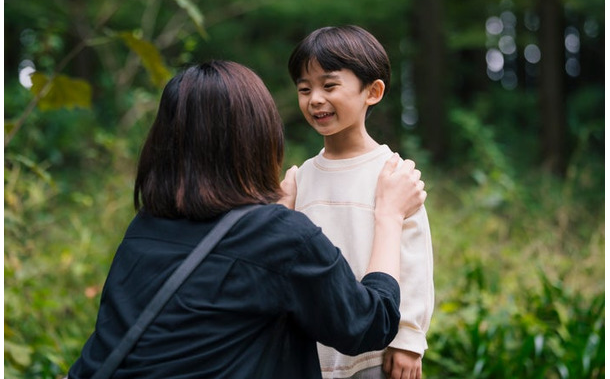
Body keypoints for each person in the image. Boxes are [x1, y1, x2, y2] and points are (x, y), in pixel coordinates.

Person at [67, 60, 427, 379]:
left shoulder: (145, 228)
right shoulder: (280, 237)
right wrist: (390, 215)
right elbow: (368, 325)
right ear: (256, 135)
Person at [288, 25, 434, 379]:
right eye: (304, 89)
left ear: (373, 91)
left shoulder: (392, 174)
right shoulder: (301, 178)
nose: (315, 99)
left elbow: (415, 260)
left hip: (374, 354)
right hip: (311, 352)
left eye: (329, 85)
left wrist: (408, 339)